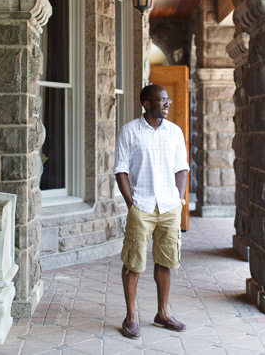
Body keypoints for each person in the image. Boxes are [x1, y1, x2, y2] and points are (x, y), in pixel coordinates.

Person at [113, 84, 189, 339]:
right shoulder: (130, 132)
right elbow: (120, 170)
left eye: (168, 100)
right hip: (142, 206)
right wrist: (131, 204)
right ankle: (131, 316)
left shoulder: (175, 132)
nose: (168, 104)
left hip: (169, 207)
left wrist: (178, 199)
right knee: (133, 264)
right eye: (162, 100)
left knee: (166, 262)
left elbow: (182, 168)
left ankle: (163, 313)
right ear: (147, 104)